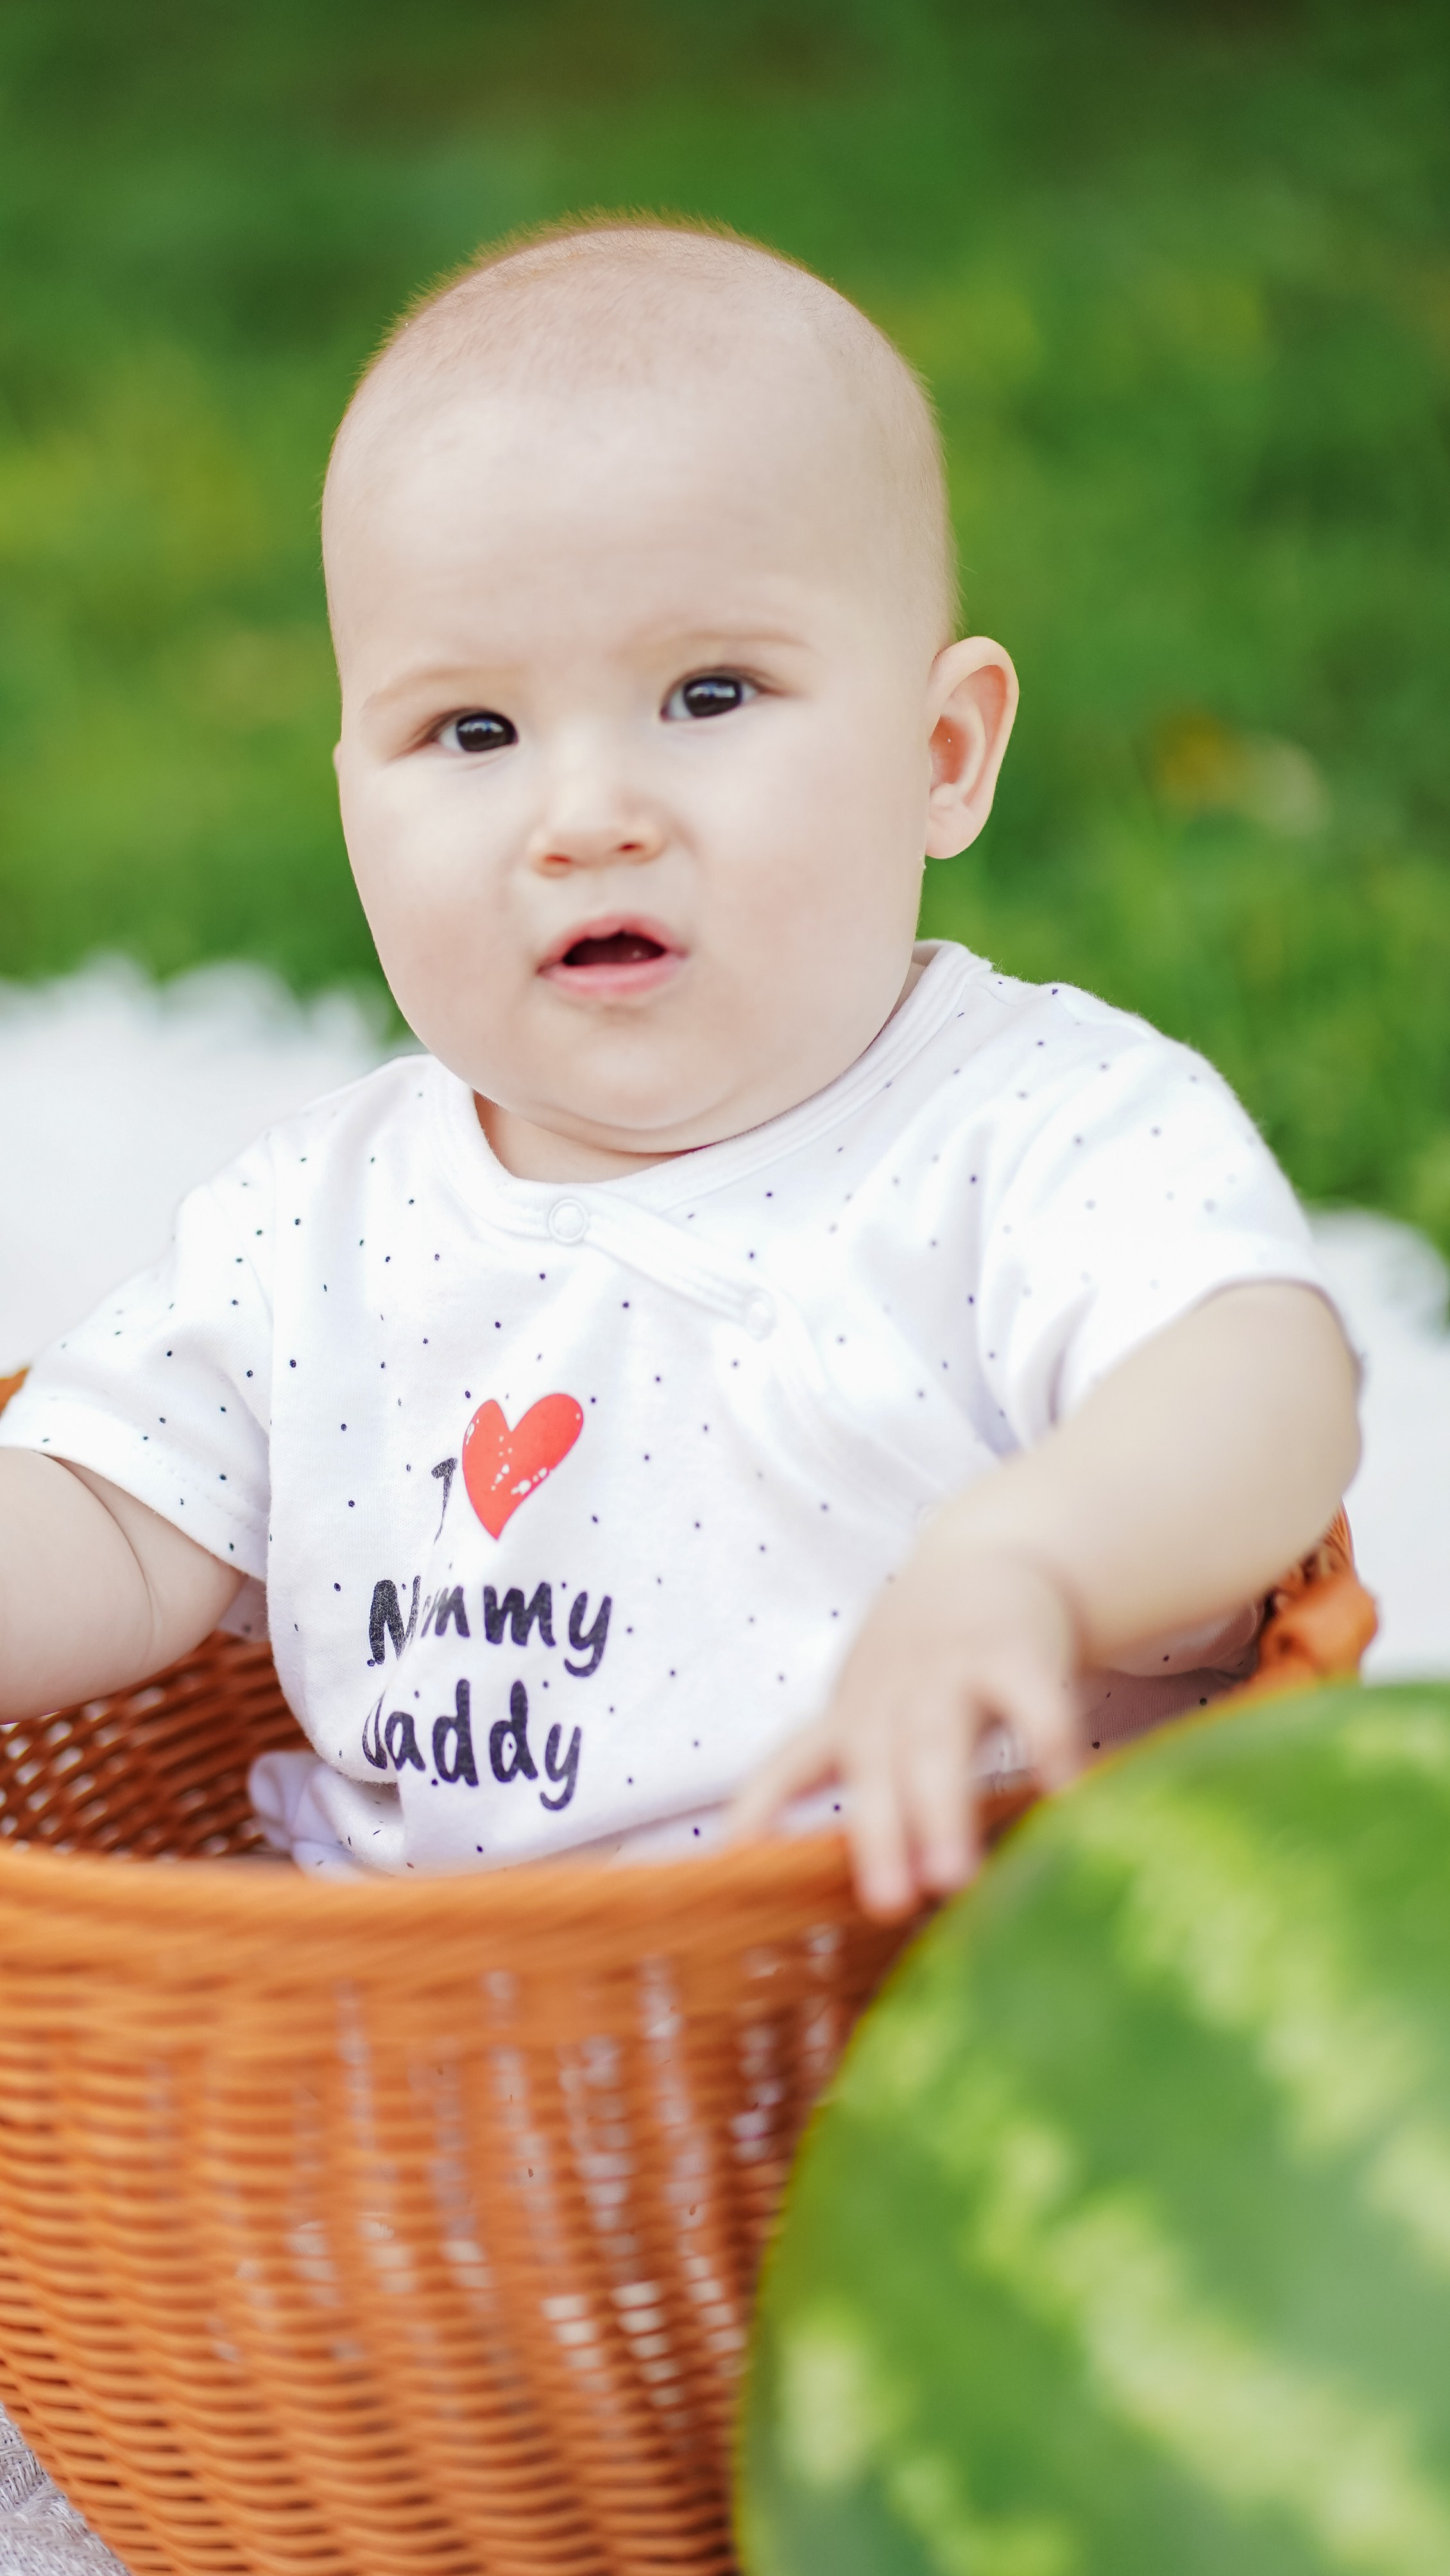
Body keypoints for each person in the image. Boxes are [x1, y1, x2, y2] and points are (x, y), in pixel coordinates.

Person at [0, 219, 1359, 1921]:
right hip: (430, 2065)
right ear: (351, 795)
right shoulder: (314, 1223)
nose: (586, 818)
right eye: (473, 734)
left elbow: (1262, 1382)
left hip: (930, 1998)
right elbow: (118, 1526)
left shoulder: (1027, 1132)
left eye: (708, 693)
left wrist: (1029, 1560)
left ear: (937, 758)